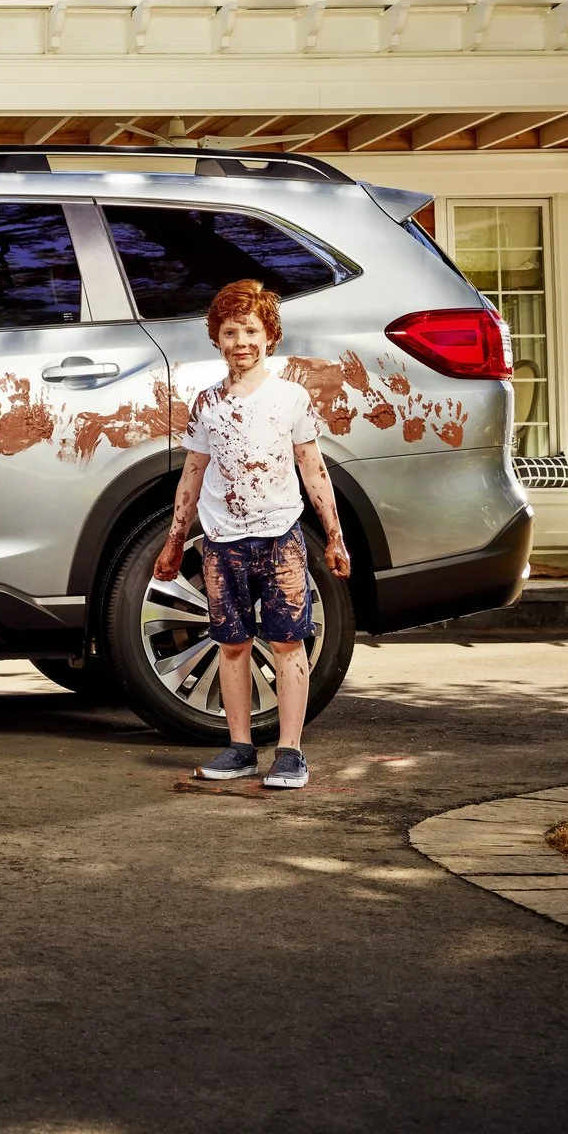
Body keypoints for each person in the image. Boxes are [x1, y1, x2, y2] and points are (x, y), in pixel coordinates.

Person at [152, 278, 350, 790]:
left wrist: (334, 535)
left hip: (280, 539)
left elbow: (314, 469)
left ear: (270, 336)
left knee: (288, 643)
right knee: (232, 645)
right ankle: (240, 748)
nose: (241, 341)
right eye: (230, 331)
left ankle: (290, 752)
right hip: (221, 542)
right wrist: (175, 542)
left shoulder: (291, 399)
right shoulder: (206, 405)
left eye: (250, 330)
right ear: (216, 338)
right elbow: (192, 475)